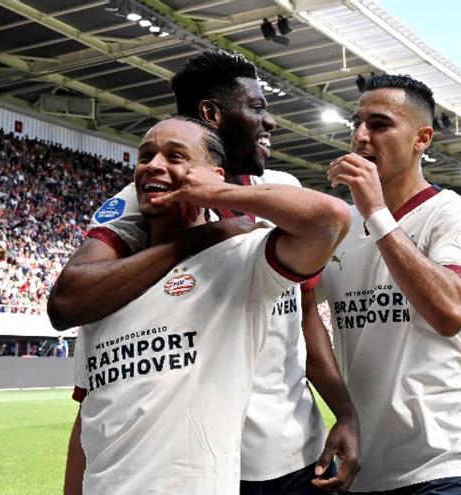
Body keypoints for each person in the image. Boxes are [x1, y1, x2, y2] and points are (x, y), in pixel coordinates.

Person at [52, 50, 359, 494]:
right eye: (256, 108)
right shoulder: (148, 197)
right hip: (203, 462)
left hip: (289, 450)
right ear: (212, 114)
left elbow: (306, 312)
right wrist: (213, 231)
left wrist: (345, 411)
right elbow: (70, 300)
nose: (269, 122)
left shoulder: (284, 194)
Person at [322, 74, 461, 494]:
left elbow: (451, 311)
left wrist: (378, 214)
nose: (361, 136)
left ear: (422, 138)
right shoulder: (339, 227)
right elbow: (302, 313)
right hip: (363, 469)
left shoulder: (453, 215)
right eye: (357, 124)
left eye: (379, 125)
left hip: (446, 462)